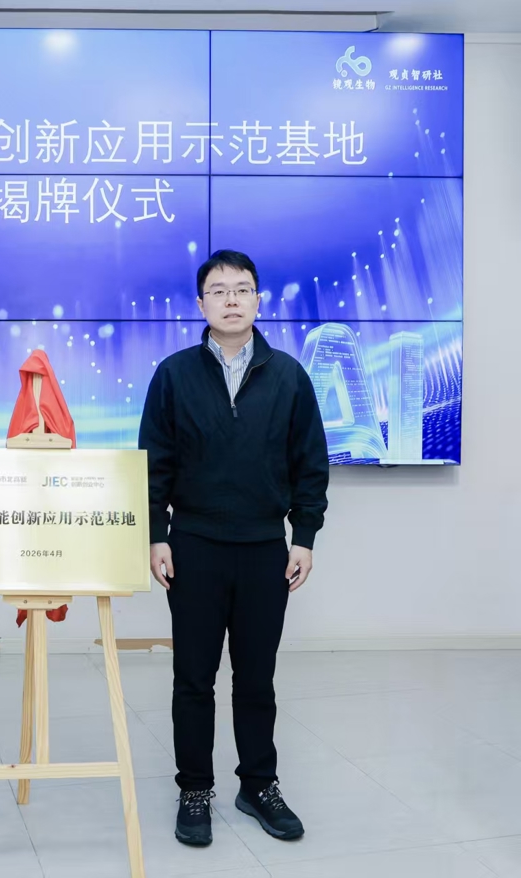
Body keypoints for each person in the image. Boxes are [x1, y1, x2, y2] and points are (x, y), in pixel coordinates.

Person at [138, 249, 329, 847]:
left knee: (256, 678)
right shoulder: (174, 374)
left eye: (242, 289)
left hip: (264, 547)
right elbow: (153, 464)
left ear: (257, 300)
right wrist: (157, 533)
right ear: (201, 304)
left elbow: (310, 463)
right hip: (193, 546)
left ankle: (259, 785)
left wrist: (304, 536)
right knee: (193, 678)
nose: (231, 300)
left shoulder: (288, 375)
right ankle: (195, 788)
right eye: (218, 291)